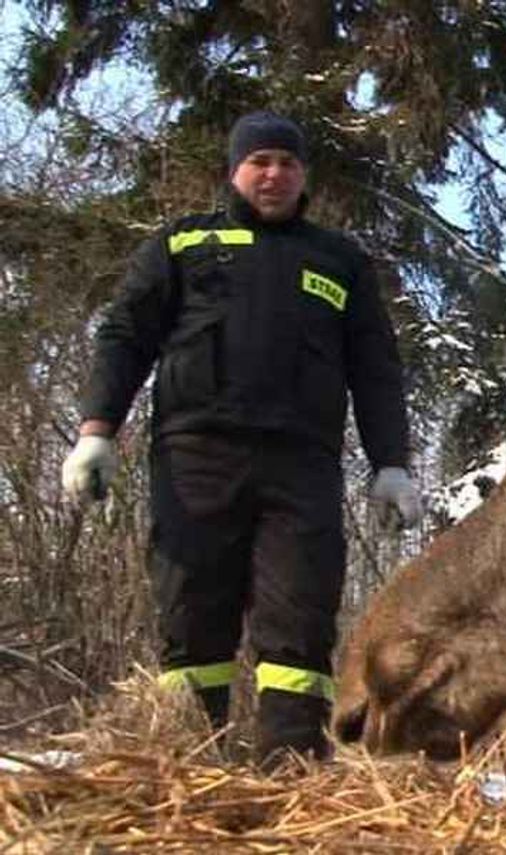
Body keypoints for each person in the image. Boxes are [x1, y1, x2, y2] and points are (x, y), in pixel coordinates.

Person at [60, 110, 422, 766]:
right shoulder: (182, 245)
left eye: (287, 161)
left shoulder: (340, 262)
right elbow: (124, 335)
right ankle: (189, 764)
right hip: (195, 458)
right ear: (235, 170)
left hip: (303, 468)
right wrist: (96, 432)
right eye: (260, 161)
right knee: (192, 613)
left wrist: (391, 463)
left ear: (303, 174)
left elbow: (375, 367)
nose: (274, 173)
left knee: (299, 621)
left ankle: (287, 774)